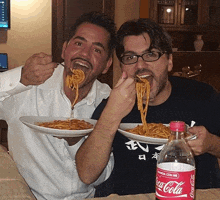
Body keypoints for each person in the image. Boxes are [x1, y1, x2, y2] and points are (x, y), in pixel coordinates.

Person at [75, 18, 220, 196]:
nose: (141, 65)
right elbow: (86, 174)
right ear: (122, 67)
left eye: (151, 55)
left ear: (169, 61)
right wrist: (111, 115)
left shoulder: (202, 97)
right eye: (130, 57)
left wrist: (212, 144)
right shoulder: (114, 104)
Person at [0, 11, 117, 200]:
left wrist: (78, 143)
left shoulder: (109, 102)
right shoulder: (30, 86)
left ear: (107, 64)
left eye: (97, 50)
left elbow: (102, 175)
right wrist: (19, 78)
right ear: (64, 50)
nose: (84, 54)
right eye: (78, 43)